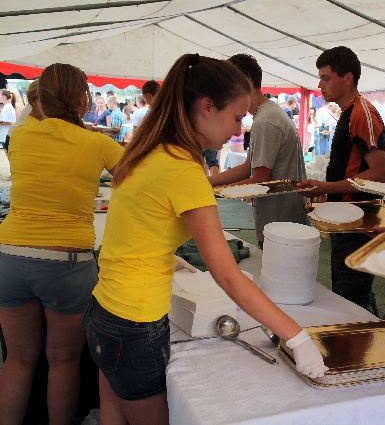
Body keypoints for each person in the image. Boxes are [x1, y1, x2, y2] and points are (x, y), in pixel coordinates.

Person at [84, 54, 326, 424]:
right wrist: (295, 336)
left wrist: (163, 255)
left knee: (113, 409)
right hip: (134, 321)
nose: (238, 128)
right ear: (207, 107)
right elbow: (227, 275)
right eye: (236, 117)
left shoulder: (151, 150)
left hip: (105, 308)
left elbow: (134, 227)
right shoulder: (183, 169)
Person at [0, 63, 123, 425]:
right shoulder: (97, 143)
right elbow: (137, 176)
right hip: (66, 263)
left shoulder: (20, 137)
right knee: (63, 361)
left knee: (18, 359)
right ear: (82, 98)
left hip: (9, 256)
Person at [299, 46, 385, 315]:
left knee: (351, 296)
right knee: (351, 290)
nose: (319, 84)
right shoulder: (349, 111)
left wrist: (327, 188)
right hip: (347, 218)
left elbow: (378, 174)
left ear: (347, 78)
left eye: (326, 77)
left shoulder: (362, 113)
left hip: (358, 221)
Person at [208, 54, 309, 247]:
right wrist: (208, 183)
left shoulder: (265, 121)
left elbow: (260, 179)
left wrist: (218, 191)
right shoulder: (268, 114)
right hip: (282, 218)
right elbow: (249, 167)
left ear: (245, 81)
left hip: (279, 222)